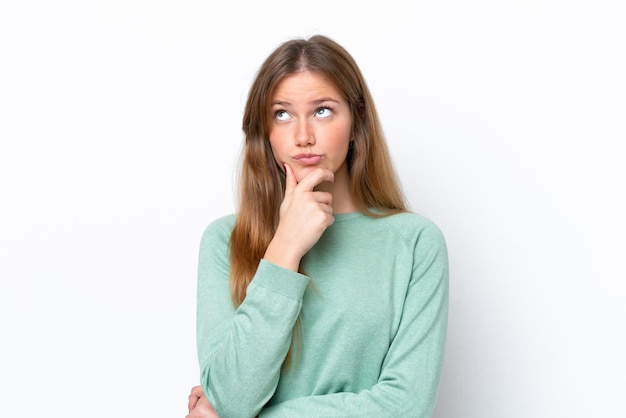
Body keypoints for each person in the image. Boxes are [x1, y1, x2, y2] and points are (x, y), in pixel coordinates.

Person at [186, 34, 449, 418]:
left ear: (357, 122)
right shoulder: (224, 241)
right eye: (282, 114)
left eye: (322, 111)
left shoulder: (415, 244)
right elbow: (230, 397)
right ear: (265, 134)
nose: (303, 136)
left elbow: (406, 406)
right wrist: (283, 251)